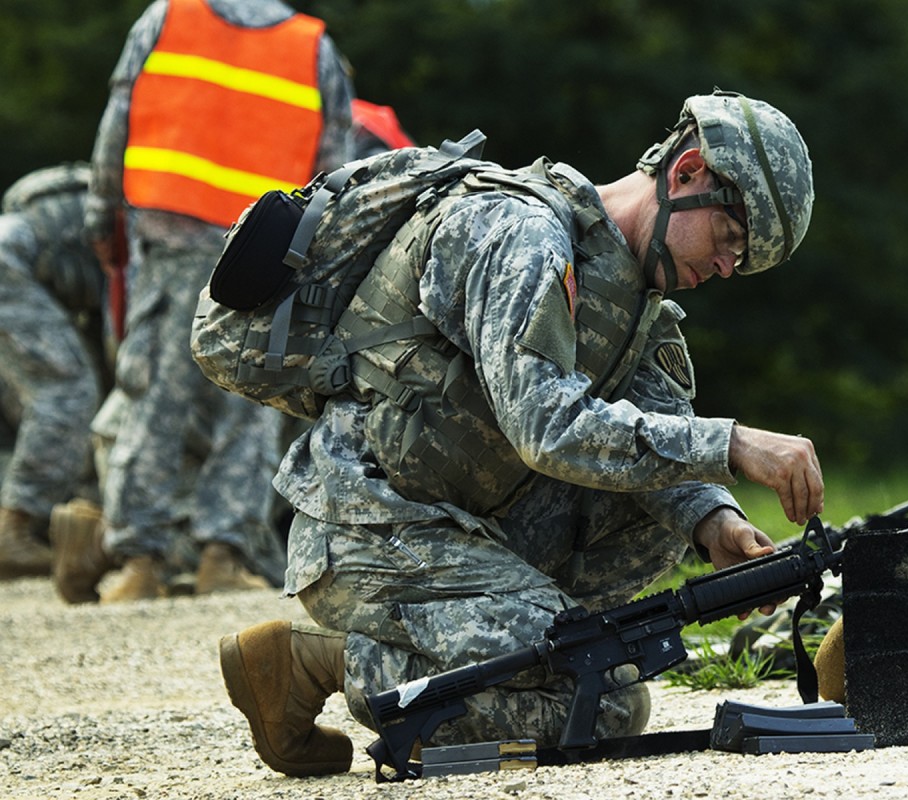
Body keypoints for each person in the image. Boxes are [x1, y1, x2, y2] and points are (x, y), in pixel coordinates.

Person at [218, 90, 821, 777]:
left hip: (467, 523)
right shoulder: (523, 236)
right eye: (729, 242)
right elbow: (547, 427)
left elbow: (663, 426)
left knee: (615, 627)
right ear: (685, 175)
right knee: (605, 703)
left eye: (741, 263)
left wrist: (717, 523)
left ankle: (493, 638)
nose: (725, 269)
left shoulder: (630, 294)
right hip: (374, 525)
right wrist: (737, 443)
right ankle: (314, 659)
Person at [83, 0, 354, 602]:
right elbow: (333, 170)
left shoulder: (166, 19)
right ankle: (222, 555)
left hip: (171, 240)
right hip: (262, 252)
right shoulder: (314, 48)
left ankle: (140, 562)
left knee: (154, 396)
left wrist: (101, 216)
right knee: (250, 401)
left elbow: (117, 125)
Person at [0, 163, 109, 579]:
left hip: (13, 266)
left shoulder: (83, 191)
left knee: (50, 396)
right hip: (10, 271)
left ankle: (38, 521)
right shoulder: (142, 221)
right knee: (68, 393)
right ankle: (15, 527)